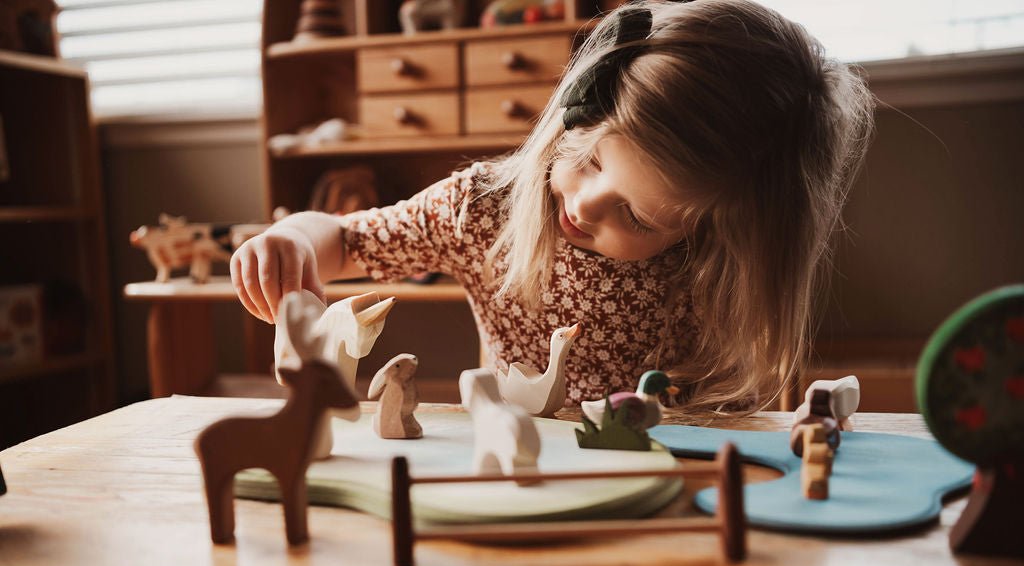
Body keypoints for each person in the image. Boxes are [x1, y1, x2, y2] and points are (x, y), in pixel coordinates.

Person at [231, 0, 875, 413]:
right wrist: (292, 240)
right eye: (588, 160)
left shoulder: (718, 260)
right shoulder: (481, 208)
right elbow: (347, 241)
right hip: (516, 464)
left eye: (639, 217)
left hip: (664, 468)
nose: (587, 206)